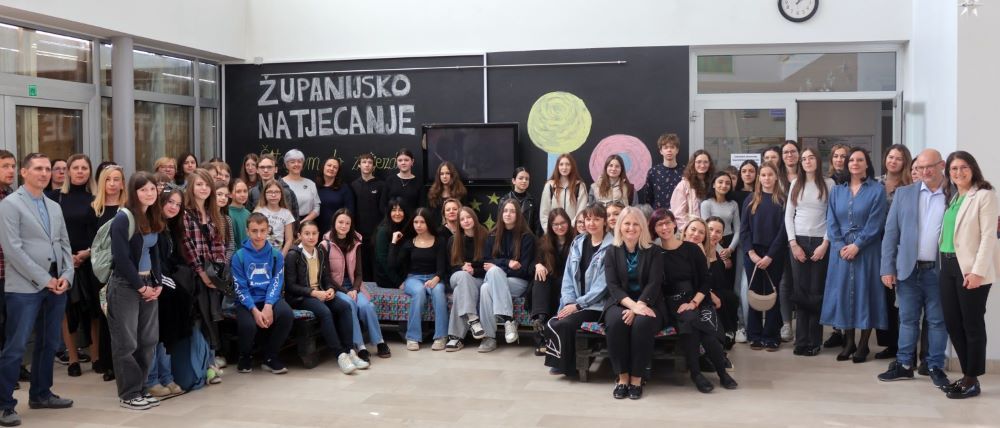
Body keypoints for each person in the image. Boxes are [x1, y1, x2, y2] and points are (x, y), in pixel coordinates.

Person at [0, 153, 75, 426]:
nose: (44, 173)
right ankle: (4, 405)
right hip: (24, 287)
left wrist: (67, 275)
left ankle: (41, 394)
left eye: (47, 169)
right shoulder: (10, 204)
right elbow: (13, 250)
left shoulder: (53, 205)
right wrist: (45, 279)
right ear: (24, 172)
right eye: (38, 169)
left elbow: (64, 243)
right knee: (16, 346)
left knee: (49, 342)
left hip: (56, 284)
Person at [877, 149, 950, 387]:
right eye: (920, 168)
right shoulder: (904, 193)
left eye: (930, 166)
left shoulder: (953, 194)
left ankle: (935, 366)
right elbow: (891, 233)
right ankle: (904, 365)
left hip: (939, 271)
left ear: (941, 165)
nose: (924, 171)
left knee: (937, 321)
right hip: (907, 270)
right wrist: (887, 268)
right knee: (907, 320)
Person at [938, 151, 998, 399]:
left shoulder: (984, 195)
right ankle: (966, 375)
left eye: (963, 167)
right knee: (953, 323)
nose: (959, 172)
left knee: (971, 324)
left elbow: (988, 237)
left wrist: (977, 272)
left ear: (973, 168)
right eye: (954, 169)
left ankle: (972, 380)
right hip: (947, 265)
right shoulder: (954, 197)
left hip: (970, 269)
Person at [658, 209, 737, 392]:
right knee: (692, 324)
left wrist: (694, 302)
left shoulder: (694, 250)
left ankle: (721, 373)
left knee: (706, 331)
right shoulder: (659, 251)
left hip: (697, 300)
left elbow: (705, 281)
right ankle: (697, 373)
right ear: (684, 230)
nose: (696, 234)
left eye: (701, 232)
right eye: (693, 229)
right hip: (674, 303)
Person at [822, 147, 888, 363]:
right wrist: (840, 245)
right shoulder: (837, 191)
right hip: (840, 252)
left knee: (866, 292)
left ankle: (863, 344)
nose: (855, 163)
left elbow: (876, 223)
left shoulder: (877, 190)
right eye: (851, 160)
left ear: (867, 164)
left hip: (867, 250)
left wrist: (857, 245)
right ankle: (849, 342)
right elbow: (831, 220)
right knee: (844, 293)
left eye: (860, 160)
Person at [107, 172, 165, 410]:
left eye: (152, 189)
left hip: (148, 283)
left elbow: (154, 252)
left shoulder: (152, 215)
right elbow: (121, 258)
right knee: (127, 343)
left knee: (148, 340)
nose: (149, 193)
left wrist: (157, 282)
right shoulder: (123, 218)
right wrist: (141, 287)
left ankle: (141, 388)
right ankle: (129, 393)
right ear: (133, 192)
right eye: (143, 190)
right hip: (125, 286)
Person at [285, 220, 367, 374]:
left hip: (321, 293)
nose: (311, 237)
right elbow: (290, 286)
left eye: (314, 233)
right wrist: (313, 293)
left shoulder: (320, 252)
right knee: (325, 312)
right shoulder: (293, 255)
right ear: (299, 235)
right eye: (307, 234)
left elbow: (326, 278)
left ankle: (350, 351)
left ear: (318, 234)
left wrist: (330, 289)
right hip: (301, 297)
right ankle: (340, 355)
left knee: (344, 307)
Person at [544, 203, 612, 376]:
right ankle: (564, 361)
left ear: (605, 221)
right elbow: (568, 277)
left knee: (565, 324)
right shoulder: (578, 242)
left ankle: (567, 366)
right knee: (553, 322)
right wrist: (569, 301)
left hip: (596, 306)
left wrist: (578, 305)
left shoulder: (612, 247)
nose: (591, 223)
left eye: (597, 219)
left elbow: (603, 286)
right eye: (588, 219)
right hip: (574, 303)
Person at [605, 207, 663, 399]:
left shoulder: (654, 251)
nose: (631, 228)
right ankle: (622, 378)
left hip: (649, 302)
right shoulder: (611, 251)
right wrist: (633, 306)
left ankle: (637, 378)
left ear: (643, 227)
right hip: (620, 302)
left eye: (636, 224)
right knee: (616, 322)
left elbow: (654, 283)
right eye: (627, 223)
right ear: (620, 226)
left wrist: (639, 307)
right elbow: (613, 286)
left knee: (642, 323)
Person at [785, 148, 834, 356]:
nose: (807, 161)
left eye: (811, 157)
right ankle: (801, 339)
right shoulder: (796, 183)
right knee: (800, 291)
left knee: (816, 292)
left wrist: (825, 243)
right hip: (799, 241)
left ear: (818, 160)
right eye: (804, 159)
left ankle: (814, 341)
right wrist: (793, 243)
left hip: (820, 241)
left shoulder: (829, 184)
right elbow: (789, 216)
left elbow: (833, 216)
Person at [54, 155, 99, 378]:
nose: (80, 171)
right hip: (64, 261)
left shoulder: (96, 198)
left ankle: (96, 356)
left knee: (93, 310)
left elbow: (101, 232)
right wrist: (67, 257)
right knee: (68, 311)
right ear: (68, 171)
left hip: (91, 259)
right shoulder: (55, 198)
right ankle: (72, 359)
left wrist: (87, 253)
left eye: (84, 168)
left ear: (89, 172)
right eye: (76, 167)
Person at [231, 213, 293, 374]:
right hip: (247, 301)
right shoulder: (239, 256)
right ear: (247, 231)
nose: (258, 235)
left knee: (286, 314)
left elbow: (276, 282)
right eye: (254, 231)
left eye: (262, 230)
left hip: (269, 298)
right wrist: (254, 310)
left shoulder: (276, 255)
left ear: (268, 231)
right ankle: (245, 357)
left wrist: (268, 305)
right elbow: (240, 288)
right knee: (248, 325)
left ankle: (270, 357)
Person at [323, 209, 390, 359]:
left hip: (354, 286)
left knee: (367, 306)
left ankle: (379, 342)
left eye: (347, 223)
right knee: (350, 305)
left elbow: (359, 273)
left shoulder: (355, 243)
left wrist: (354, 288)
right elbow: (326, 276)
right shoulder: (325, 245)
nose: (343, 226)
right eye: (340, 222)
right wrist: (345, 291)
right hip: (336, 288)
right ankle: (360, 346)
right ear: (334, 223)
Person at [180, 168, 227, 372]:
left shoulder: (212, 213)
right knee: (199, 319)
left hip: (211, 275)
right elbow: (187, 246)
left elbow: (218, 244)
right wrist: (201, 272)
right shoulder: (184, 214)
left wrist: (216, 272)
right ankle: (202, 365)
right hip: (194, 275)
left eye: (207, 185)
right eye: (199, 184)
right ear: (191, 187)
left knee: (212, 318)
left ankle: (210, 360)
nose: (204, 188)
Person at [740, 162, 787, 351]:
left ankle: (771, 335)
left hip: (774, 254)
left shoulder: (782, 200)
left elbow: (783, 232)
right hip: (753, 254)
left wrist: (770, 256)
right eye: (763, 175)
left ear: (776, 177)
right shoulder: (751, 199)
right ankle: (755, 334)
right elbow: (744, 230)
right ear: (759, 178)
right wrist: (751, 252)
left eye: (770, 175)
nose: (766, 178)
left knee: (772, 294)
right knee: (755, 293)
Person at [478, 199, 535, 352]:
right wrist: (507, 262)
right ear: (501, 214)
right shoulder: (492, 235)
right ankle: (500, 329)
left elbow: (524, 270)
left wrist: (498, 266)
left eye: (512, 211)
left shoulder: (527, 237)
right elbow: (485, 263)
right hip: (498, 281)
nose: (508, 214)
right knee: (485, 288)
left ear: (518, 215)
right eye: (505, 211)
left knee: (493, 274)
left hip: (519, 283)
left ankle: (502, 324)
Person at [389, 207, 449, 351]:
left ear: (428, 223)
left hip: (434, 277)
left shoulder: (439, 241)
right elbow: (392, 264)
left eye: (422, 222)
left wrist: (436, 278)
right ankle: (412, 337)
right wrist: (393, 243)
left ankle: (441, 336)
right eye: (415, 222)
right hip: (414, 279)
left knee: (438, 292)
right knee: (419, 291)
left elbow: (442, 266)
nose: (418, 225)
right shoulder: (409, 242)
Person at [145, 187, 185, 399]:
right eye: (170, 202)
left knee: (164, 334)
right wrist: (169, 283)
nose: (174, 207)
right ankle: (152, 380)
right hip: (153, 287)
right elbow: (153, 262)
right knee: (154, 335)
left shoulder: (170, 227)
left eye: (178, 204)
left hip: (167, 289)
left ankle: (166, 376)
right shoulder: (152, 226)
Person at [874, 144, 914, 359]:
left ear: (905, 161)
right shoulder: (875, 183)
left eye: (898, 158)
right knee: (882, 296)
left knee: (898, 295)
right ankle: (889, 343)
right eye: (890, 157)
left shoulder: (909, 185)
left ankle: (903, 345)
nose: (893, 161)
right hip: (875, 243)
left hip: (900, 245)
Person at [93, 163, 127, 381]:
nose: (112, 184)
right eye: (108, 179)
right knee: (105, 317)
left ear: (123, 183)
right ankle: (108, 364)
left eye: (117, 179)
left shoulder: (127, 210)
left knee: (123, 319)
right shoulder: (95, 209)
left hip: (124, 268)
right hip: (101, 270)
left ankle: (123, 363)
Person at [530, 208, 576, 355]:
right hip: (550, 282)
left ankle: (543, 329)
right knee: (540, 277)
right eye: (555, 224)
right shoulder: (544, 241)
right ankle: (540, 320)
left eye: (563, 223)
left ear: (568, 222)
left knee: (555, 282)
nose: (560, 227)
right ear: (550, 226)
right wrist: (538, 265)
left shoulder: (577, 239)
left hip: (569, 283)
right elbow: (533, 263)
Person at [444, 207, 489, 351]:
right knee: (463, 277)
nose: (466, 221)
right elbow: (449, 267)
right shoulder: (453, 240)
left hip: (478, 279)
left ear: (474, 218)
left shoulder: (486, 237)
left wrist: (474, 270)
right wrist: (462, 268)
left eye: (468, 217)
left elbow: (489, 265)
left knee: (459, 292)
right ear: (459, 223)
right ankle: (473, 319)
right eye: (462, 219)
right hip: (457, 276)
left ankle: (455, 338)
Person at [705, 217, 740, 345]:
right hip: (704, 291)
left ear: (722, 235)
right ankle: (723, 333)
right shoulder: (698, 250)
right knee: (722, 297)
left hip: (718, 290)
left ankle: (728, 332)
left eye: (718, 231)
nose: (714, 234)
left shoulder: (719, 253)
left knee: (731, 297)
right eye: (710, 229)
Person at [701, 171, 740, 285]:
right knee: (715, 278)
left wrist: (730, 249)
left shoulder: (733, 204)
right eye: (720, 182)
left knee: (729, 279)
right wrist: (722, 254)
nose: (724, 185)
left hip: (730, 243)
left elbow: (738, 229)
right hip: (712, 243)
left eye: (727, 183)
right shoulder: (706, 204)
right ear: (713, 184)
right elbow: (706, 230)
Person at [351, 153, 384, 282]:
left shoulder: (381, 185)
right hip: (358, 233)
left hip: (376, 232)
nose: (367, 165)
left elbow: (383, 210)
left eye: (370, 162)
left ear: (373, 166)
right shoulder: (353, 185)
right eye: (364, 162)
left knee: (377, 263)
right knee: (362, 265)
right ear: (359, 165)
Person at [540, 154, 588, 233]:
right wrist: (549, 230)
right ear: (557, 167)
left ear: (572, 166)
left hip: (573, 231)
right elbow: (544, 212)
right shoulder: (550, 186)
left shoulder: (580, 186)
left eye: (567, 164)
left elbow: (581, 210)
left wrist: (570, 227)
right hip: (554, 231)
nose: (564, 167)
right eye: (561, 164)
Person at [671, 149, 714, 231]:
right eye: (699, 162)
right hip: (692, 231)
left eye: (705, 162)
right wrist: (688, 230)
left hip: (710, 231)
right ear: (693, 164)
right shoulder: (684, 185)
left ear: (710, 164)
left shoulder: (713, 183)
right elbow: (678, 214)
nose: (702, 165)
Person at [374, 197, 409, 289]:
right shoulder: (383, 231)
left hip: (403, 276)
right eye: (394, 210)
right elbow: (383, 261)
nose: (397, 213)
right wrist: (398, 282)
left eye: (400, 210)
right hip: (386, 279)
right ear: (389, 212)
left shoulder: (406, 229)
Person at [254, 179, 296, 256]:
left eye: (277, 192)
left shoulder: (286, 213)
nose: (273, 195)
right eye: (269, 192)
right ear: (264, 194)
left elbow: (289, 239)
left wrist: (281, 256)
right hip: (259, 254)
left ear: (281, 194)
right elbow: (253, 236)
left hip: (277, 254)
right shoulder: (258, 211)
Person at [644, 132, 684, 210]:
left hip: (679, 214)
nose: (669, 150)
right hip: (658, 214)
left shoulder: (685, 172)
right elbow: (648, 199)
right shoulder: (653, 172)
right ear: (661, 151)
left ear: (677, 150)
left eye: (672, 147)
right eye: (665, 147)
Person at [317, 156, 355, 237]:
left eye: (335, 167)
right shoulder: (314, 186)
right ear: (323, 167)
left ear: (338, 171)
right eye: (329, 165)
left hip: (336, 232)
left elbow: (349, 211)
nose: (331, 168)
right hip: (315, 231)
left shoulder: (344, 188)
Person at [380, 148, 423, 215]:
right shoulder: (390, 180)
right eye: (400, 160)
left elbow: (421, 207)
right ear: (396, 162)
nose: (403, 163)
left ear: (412, 161)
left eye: (406, 160)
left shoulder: (418, 182)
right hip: (393, 219)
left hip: (411, 220)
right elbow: (383, 205)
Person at [281, 149, 320, 223]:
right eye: (292, 162)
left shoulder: (310, 184)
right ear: (286, 165)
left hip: (307, 224)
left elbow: (317, 207)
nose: (296, 164)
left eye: (299, 161)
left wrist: (302, 223)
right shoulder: (279, 184)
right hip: (285, 223)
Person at [499, 167, 541, 236]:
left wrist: (535, 240)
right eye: (521, 178)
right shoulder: (504, 200)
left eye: (527, 179)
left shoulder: (533, 201)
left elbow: (537, 226)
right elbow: (500, 223)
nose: (524, 181)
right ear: (513, 181)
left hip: (528, 238)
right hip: (509, 238)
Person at [228, 178, 252, 248]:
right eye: (238, 192)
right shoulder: (227, 213)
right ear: (230, 194)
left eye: (245, 191)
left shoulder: (248, 213)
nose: (243, 195)